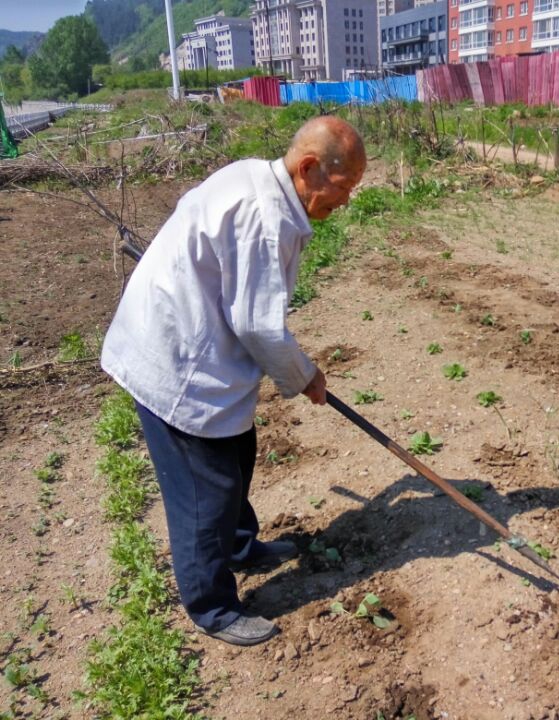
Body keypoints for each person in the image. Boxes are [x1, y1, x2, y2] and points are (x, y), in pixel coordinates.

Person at [101, 116, 367, 646]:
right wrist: (305, 374)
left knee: (238, 452)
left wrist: (298, 371)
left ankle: (242, 547)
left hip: (192, 341)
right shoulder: (264, 216)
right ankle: (211, 606)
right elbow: (256, 324)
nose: (346, 201)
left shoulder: (259, 179)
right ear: (310, 169)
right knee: (208, 491)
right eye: (343, 188)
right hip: (176, 363)